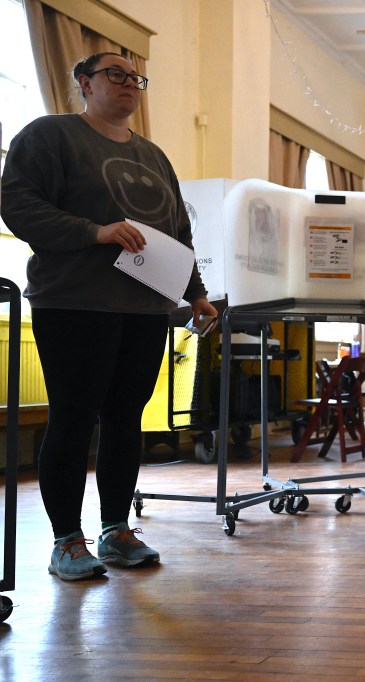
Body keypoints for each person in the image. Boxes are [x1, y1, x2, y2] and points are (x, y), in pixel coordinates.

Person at [0, 52, 217, 581]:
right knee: (73, 419)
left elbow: (176, 233)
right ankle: (66, 541)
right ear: (83, 82)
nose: (128, 84)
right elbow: (17, 204)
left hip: (145, 308)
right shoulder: (50, 136)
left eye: (135, 78)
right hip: (73, 303)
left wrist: (196, 293)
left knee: (125, 419)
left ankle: (116, 530)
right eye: (114, 74)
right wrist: (94, 232)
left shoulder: (153, 155)